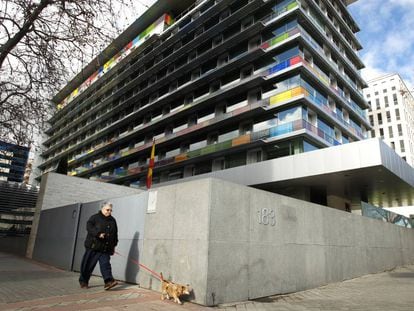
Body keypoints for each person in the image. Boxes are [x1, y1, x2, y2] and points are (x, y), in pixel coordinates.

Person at [79, 201, 118, 290]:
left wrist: (114, 246)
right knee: (87, 265)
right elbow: (89, 227)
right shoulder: (95, 218)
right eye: (107, 210)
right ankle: (83, 281)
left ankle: (108, 282)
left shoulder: (113, 220)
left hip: (105, 248)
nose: (109, 212)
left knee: (106, 265)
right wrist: (98, 233)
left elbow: (115, 234)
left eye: (111, 210)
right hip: (93, 246)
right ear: (102, 209)